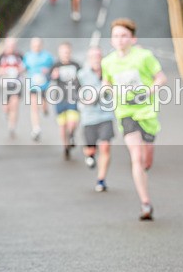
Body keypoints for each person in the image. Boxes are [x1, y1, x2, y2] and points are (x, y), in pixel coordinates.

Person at [102, 18, 167, 220]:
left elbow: (161, 78)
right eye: (116, 36)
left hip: (147, 112)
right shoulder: (108, 62)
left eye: (124, 36)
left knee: (146, 158)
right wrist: (104, 90)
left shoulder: (144, 57)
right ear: (111, 40)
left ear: (133, 38)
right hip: (126, 113)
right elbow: (107, 82)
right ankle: (145, 203)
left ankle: (145, 168)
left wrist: (149, 92)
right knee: (136, 156)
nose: (120, 40)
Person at [78, 45, 116, 192]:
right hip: (89, 117)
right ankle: (90, 156)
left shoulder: (109, 74)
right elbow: (74, 93)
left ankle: (101, 179)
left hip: (106, 115)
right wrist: (85, 99)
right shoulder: (81, 75)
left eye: (98, 57)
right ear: (89, 59)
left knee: (105, 146)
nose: (96, 60)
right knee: (90, 149)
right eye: (93, 57)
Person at [49, 42, 81, 160]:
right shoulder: (56, 65)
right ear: (59, 53)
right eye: (63, 52)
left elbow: (82, 78)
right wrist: (53, 76)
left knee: (73, 121)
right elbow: (48, 78)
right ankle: (65, 146)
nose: (65, 54)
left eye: (67, 52)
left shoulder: (76, 65)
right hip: (60, 98)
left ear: (70, 52)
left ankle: (71, 134)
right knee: (62, 125)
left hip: (72, 97)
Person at [23, 37, 54, 142]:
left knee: (43, 105)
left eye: (37, 45)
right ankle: (36, 129)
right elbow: (23, 68)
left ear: (41, 45)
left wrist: (48, 71)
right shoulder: (28, 56)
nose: (36, 47)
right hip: (33, 85)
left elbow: (53, 68)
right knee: (34, 107)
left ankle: (45, 108)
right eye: (34, 45)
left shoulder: (47, 57)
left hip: (44, 85)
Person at [0, 37, 25, 138]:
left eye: (12, 45)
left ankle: (12, 127)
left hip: (17, 84)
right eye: (9, 45)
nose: (11, 47)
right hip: (4, 85)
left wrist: (21, 69)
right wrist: (1, 71)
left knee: (15, 105)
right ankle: (7, 113)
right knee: (6, 107)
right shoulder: (1, 56)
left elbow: (26, 66)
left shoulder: (20, 55)